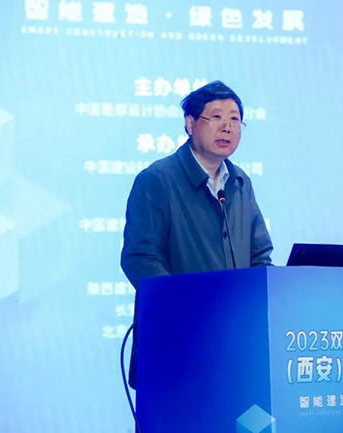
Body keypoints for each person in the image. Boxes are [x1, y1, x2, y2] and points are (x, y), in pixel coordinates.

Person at [120, 80, 273, 389]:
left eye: (234, 119)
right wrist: (189, 306)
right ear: (190, 124)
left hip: (233, 344)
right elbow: (139, 259)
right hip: (176, 344)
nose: (227, 127)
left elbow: (260, 255)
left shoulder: (240, 182)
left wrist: (256, 305)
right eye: (216, 117)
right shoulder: (157, 179)